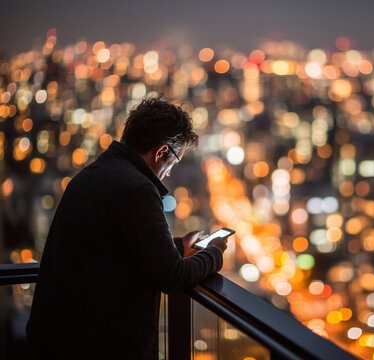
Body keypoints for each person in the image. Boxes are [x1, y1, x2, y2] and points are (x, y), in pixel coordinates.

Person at [26, 97, 228, 359]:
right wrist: (214, 252)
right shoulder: (138, 189)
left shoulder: (90, 175)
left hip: (56, 338)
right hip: (100, 346)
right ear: (161, 152)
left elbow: (113, 248)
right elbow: (172, 276)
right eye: (174, 163)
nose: (168, 173)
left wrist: (178, 246)